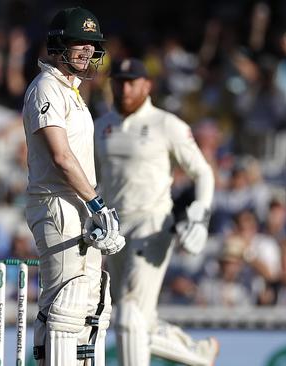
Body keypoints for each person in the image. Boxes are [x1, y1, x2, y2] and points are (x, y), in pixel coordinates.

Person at [94, 58, 218, 366]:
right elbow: (91, 182)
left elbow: (203, 173)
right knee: (135, 319)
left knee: (128, 316)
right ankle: (195, 352)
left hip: (152, 224)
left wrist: (199, 217)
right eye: (119, 81)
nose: (124, 88)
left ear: (147, 85)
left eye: (131, 82)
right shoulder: (101, 126)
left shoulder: (166, 124)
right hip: (114, 229)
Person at [22, 7, 125, 366]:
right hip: (57, 204)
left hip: (77, 203)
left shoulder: (73, 92)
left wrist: (93, 206)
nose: (85, 51)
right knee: (64, 307)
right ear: (58, 45)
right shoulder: (46, 88)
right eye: (78, 43)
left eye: (91, 44)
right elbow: (61, 157)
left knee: (88, 305)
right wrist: (98, 205)